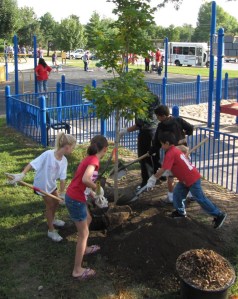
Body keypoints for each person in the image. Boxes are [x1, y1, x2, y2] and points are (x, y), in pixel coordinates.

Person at [146, 132, 227, 229]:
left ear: (167, 143)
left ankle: (219, 214)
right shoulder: (174, 149)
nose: (162, 147)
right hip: (185, 179)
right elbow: (171, 167)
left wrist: (153, 178)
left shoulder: (170, 153)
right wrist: (167, 172)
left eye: (162, 144)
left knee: (200, 198)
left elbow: (163, 168)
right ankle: (180, 212)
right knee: (177, 194)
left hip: (192, 178)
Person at [7, 132, 77, 242]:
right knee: (50, 205)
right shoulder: (48, 154)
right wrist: (22, 175)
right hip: (41, 186)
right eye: (72, 148)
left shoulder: (64, 161)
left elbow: (63, 178)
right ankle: (51, 230)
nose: (73, 150)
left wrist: (62, 193)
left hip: (51, 185)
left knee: (57, 202)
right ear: (67, 147)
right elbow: (32, 164)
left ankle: (52, 219)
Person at [65, 135, 109, 280]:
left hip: (77, 196)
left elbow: (82, 181)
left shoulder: (89, 158)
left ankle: (84, 248)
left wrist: (91, 194)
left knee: (88, 218)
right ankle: (77, 270)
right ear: (105, 149)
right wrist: (97, 189)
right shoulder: (94, 160)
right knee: (83, 234)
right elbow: (85, 179)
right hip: (75, 199)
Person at [150, 105, 194, 203]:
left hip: (172, 154)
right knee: (186, 173)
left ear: (162, 116)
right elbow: (190, 128)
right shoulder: (178, 120)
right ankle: (191, 195)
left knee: (170, 176)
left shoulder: (161, 126)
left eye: (157, 116)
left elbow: (157, 141)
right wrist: (185, 133)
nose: (157, 118)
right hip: (183, 151)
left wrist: (151, 151)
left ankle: (171, 197)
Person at [119, 92, 160, 191]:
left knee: (145, 157)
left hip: (146, 133)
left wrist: (125, 130)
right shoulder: (155, 98)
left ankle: (146, 182)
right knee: (155, 155)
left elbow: (139, 124)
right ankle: (159, 177)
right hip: (156, 131)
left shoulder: (140, 103)